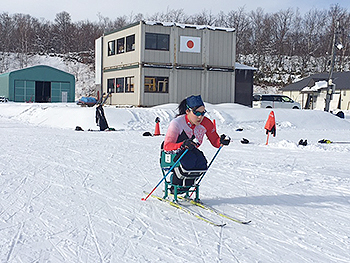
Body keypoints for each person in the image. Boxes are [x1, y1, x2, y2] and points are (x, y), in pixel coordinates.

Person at [163, 95, 230, 187]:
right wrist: (182, 144)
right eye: (197, 113)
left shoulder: (206, 123)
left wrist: (221, 141)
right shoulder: (177, 123)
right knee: (189, 161)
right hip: (175, 151)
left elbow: (215, 141)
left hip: (191, 150)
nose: (200, 117)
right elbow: (167, 147)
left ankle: (188, 186)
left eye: (203, 113)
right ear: (188, 111)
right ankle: (175, 184)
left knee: (201, 164)